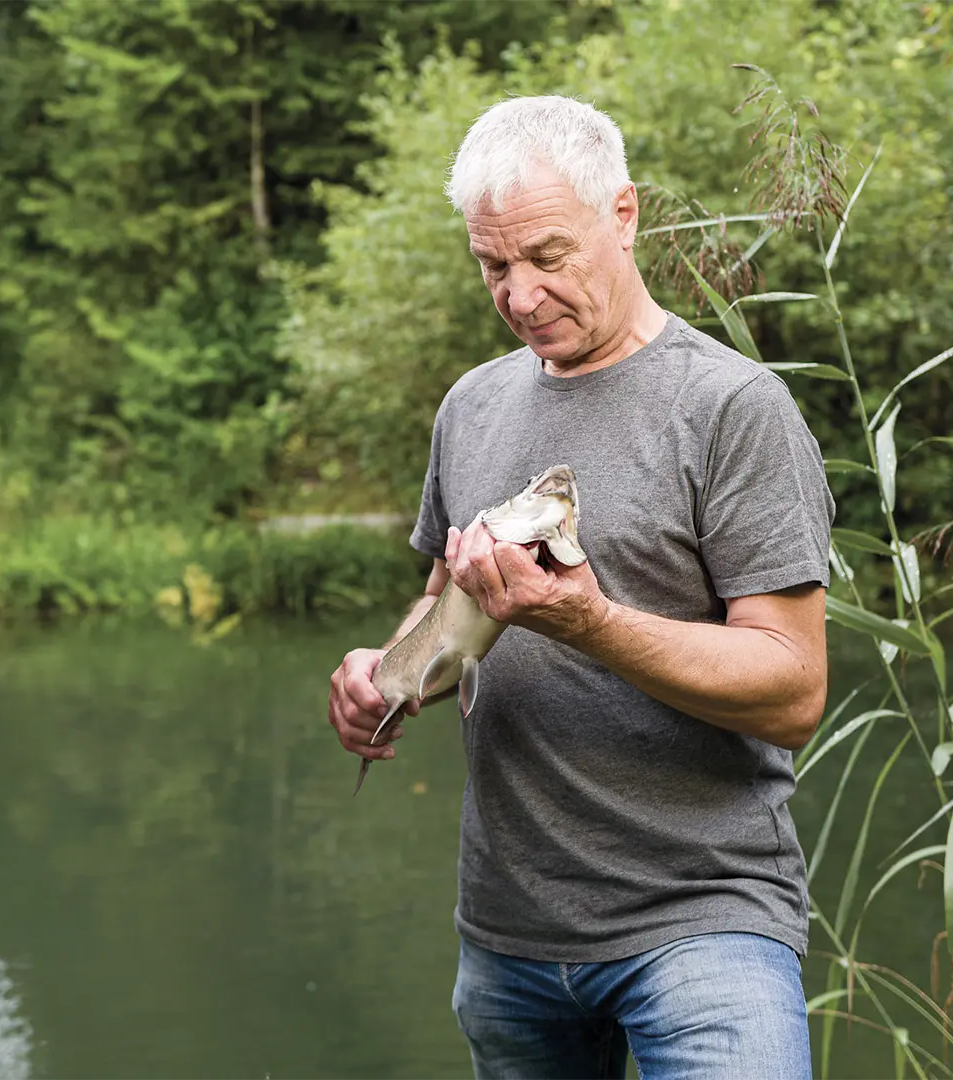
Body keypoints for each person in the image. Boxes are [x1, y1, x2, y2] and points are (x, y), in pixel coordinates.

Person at [324, 94, 834, 1080]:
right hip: (509, 932)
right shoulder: (471, 407)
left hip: (703, 923)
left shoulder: (735, 409)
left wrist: (590, 623)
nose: (517, 295)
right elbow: (450, 608)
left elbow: (794, 690)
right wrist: (384, 685)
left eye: (546, 257)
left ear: (625, 214)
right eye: (492, 265)